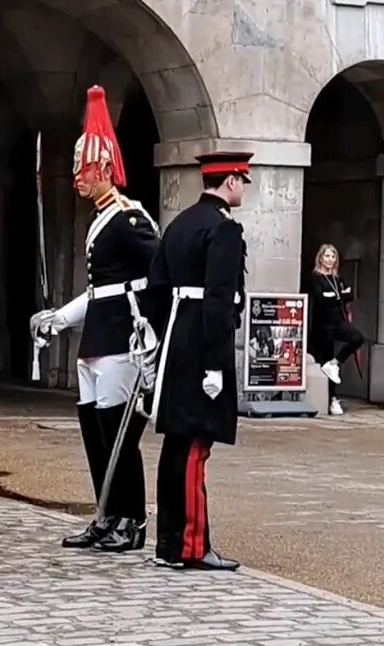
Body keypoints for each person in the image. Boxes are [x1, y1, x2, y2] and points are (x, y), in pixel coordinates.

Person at [29, 85, 160, 553]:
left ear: (105, 169)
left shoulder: (130, 220)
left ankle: (132, 519)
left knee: (119, 439)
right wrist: (57, 319)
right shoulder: (100, 220)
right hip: (96, 341)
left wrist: (151, 335)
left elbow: (156, 279)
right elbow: (96, 292)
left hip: (122, 341)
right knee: (95, 436)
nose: (76, 179)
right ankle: (106, 514)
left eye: (82, 170)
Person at [142, 150, 253, 572]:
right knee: (193, 449)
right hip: (203, 346)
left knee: (176, 446)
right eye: (243, 180)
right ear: (229, 181)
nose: (243, 188)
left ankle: (169, 544)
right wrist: (214, 362)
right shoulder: (223, 230)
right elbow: (220, 300)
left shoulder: (179, 223)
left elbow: (155, 291)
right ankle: (190, 546)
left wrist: (162, 340)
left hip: (175, 339)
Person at [307, 243, 365, 415]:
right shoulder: (316, 277)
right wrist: (338, 296)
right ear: (321, 258)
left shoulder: (337, 278)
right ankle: (332, 399)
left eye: (333, 256)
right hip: (323, 325)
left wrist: (336, 296)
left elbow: (349, 294)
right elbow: (320, 297)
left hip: (339, 321)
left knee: (357, 338)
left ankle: (336, 362)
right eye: (327, 256)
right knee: (325, 360)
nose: (330, 259)